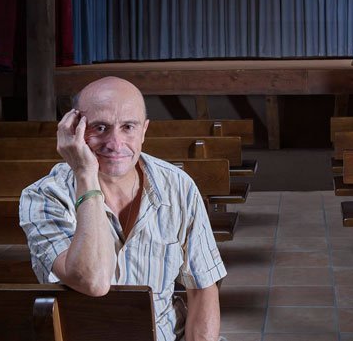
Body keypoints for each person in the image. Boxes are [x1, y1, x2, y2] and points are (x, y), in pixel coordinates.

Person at [19, 76, 225, 341]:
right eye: (100, 127)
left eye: (128, 127)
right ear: (74, 130)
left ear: (144, 131)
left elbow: (203, 286)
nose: (115, 143)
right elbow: (92, 280)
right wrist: (85, 174)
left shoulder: (178, 185)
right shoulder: (43, 197)